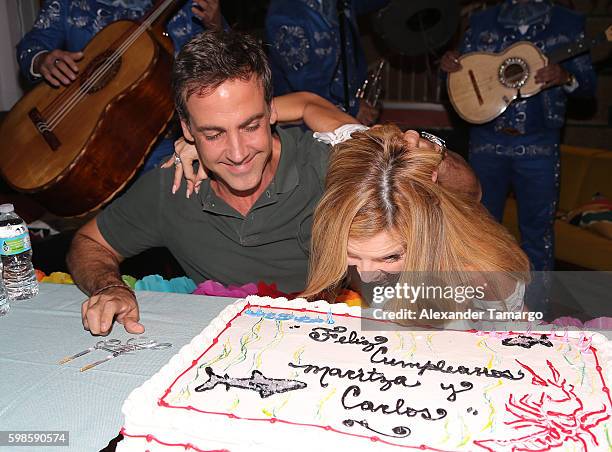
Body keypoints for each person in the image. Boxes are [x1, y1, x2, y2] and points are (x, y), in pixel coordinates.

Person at [67, 30, 479, 336]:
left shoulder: (328, 164)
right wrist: (108, 287)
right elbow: (89, 243)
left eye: (250, 126)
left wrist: (429, 154)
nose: (237, 152)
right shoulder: (173, 184)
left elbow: (468, 193)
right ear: (186, 130)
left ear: (271, 114)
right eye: (213, 133)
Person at [301, 124, 531, 323]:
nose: (365, 274)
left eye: (391, 256)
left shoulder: (478, 272)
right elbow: (306, 103)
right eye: (350, 253)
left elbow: (520, 341)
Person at [440, 0, 596, 273]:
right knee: (479, 228)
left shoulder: (567, 23)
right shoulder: (481, 22)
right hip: (487, 141)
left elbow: (587, 85)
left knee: (538, 232)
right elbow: (460, 82)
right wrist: (450, 68)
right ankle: (481, 307)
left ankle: (537, 311)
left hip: (539, 144)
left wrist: (565, 76)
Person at [16, 0, 224, 171]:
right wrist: (42, 60)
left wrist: (216, 27)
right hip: (81, 141)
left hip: (165, 143)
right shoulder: (68, 4)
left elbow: (230, 66)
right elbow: (31, 46)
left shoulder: (191, 7)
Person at [265, 0, 388, 126]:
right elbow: (307, 84)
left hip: (340, 109)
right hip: (306, 127)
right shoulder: (285, 13)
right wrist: (354, 107)